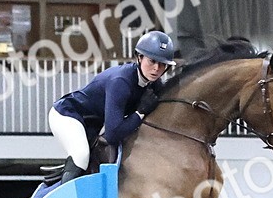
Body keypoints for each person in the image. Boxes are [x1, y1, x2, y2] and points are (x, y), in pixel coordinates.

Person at [47, 30, 176, 185]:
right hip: (68, 115)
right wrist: (139, 113)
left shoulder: (153, 83)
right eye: (152, 61)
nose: (156, 68)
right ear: (139, 57)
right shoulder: (120, 81)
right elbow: (113, 134)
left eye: (162, 64)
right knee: (81, 155)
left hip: (95, 123)